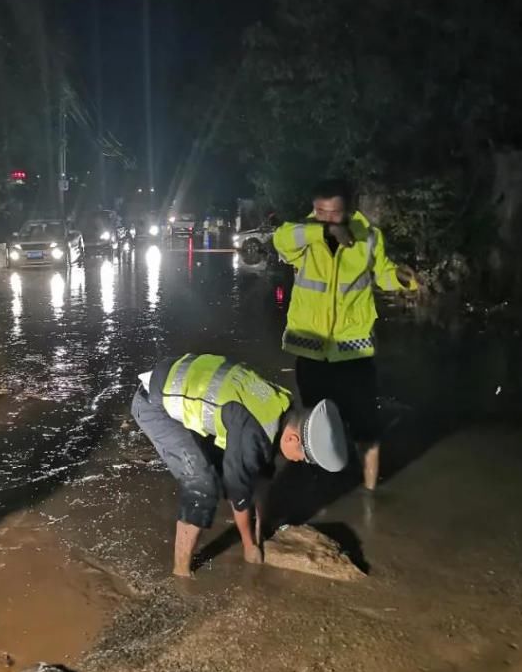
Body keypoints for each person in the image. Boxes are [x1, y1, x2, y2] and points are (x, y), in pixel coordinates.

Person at [131, 353, 349, 577]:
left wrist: (260, 527)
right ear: (293, 439)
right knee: (203, 486)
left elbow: (262, 473)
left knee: (238, 464)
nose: (300, 460)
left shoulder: (282, 405)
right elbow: (240, 494)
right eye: (303, 456)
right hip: (154, 405)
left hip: (181, 378)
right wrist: (249, 546)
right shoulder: (252, 432)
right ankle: (181, 570)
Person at [273, 179, 418, 491]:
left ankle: (370, 498)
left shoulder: (368, 238)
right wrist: (324, 231)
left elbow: (384, 273)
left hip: (354, 352)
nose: (326, 218)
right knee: (315, 429)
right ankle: (323, 489)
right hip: (312, 353)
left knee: (367, 428)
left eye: (334, 213)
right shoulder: (304, 237)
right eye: (320, 212)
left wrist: (402, 279)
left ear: (349, 210)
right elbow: (280, 239)